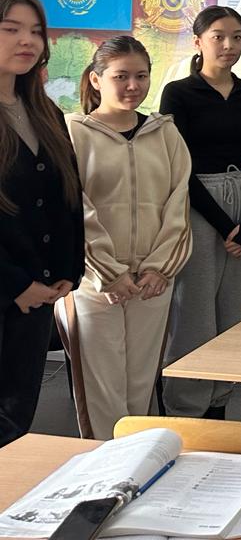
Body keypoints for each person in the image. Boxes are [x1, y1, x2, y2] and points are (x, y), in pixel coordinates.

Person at [66, 36, 191, 438]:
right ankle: (104, 466)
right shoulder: (72, 133)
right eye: (121, 76)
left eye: (141, 76)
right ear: (96, 79)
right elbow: (73, 209)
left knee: (140, 383)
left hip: (151, 282)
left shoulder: (165, 133)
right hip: (93, 283)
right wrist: (108, 273)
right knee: (102, 389)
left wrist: (160, 269)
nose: (133, 86)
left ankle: (139, 462)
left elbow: (178, 203)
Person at [159, 6, 241, 419]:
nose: (229, 45)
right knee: (195, 308)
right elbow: (180, 166)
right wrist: (226, 226)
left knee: (235, 309)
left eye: (237, 37)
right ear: (198, 41)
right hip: (197, 200)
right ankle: (187, 405)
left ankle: (220, 399)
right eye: (219, 36)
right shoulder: (180, 93)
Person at [0, 0, 83, 447]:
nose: (27, 40)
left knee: (17, 421)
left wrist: (69, 270)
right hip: (11, 286)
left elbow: (67, 198)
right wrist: (16, 285)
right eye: (11, 29)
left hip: (38, 294)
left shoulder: (44, 110)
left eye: (35, 31)